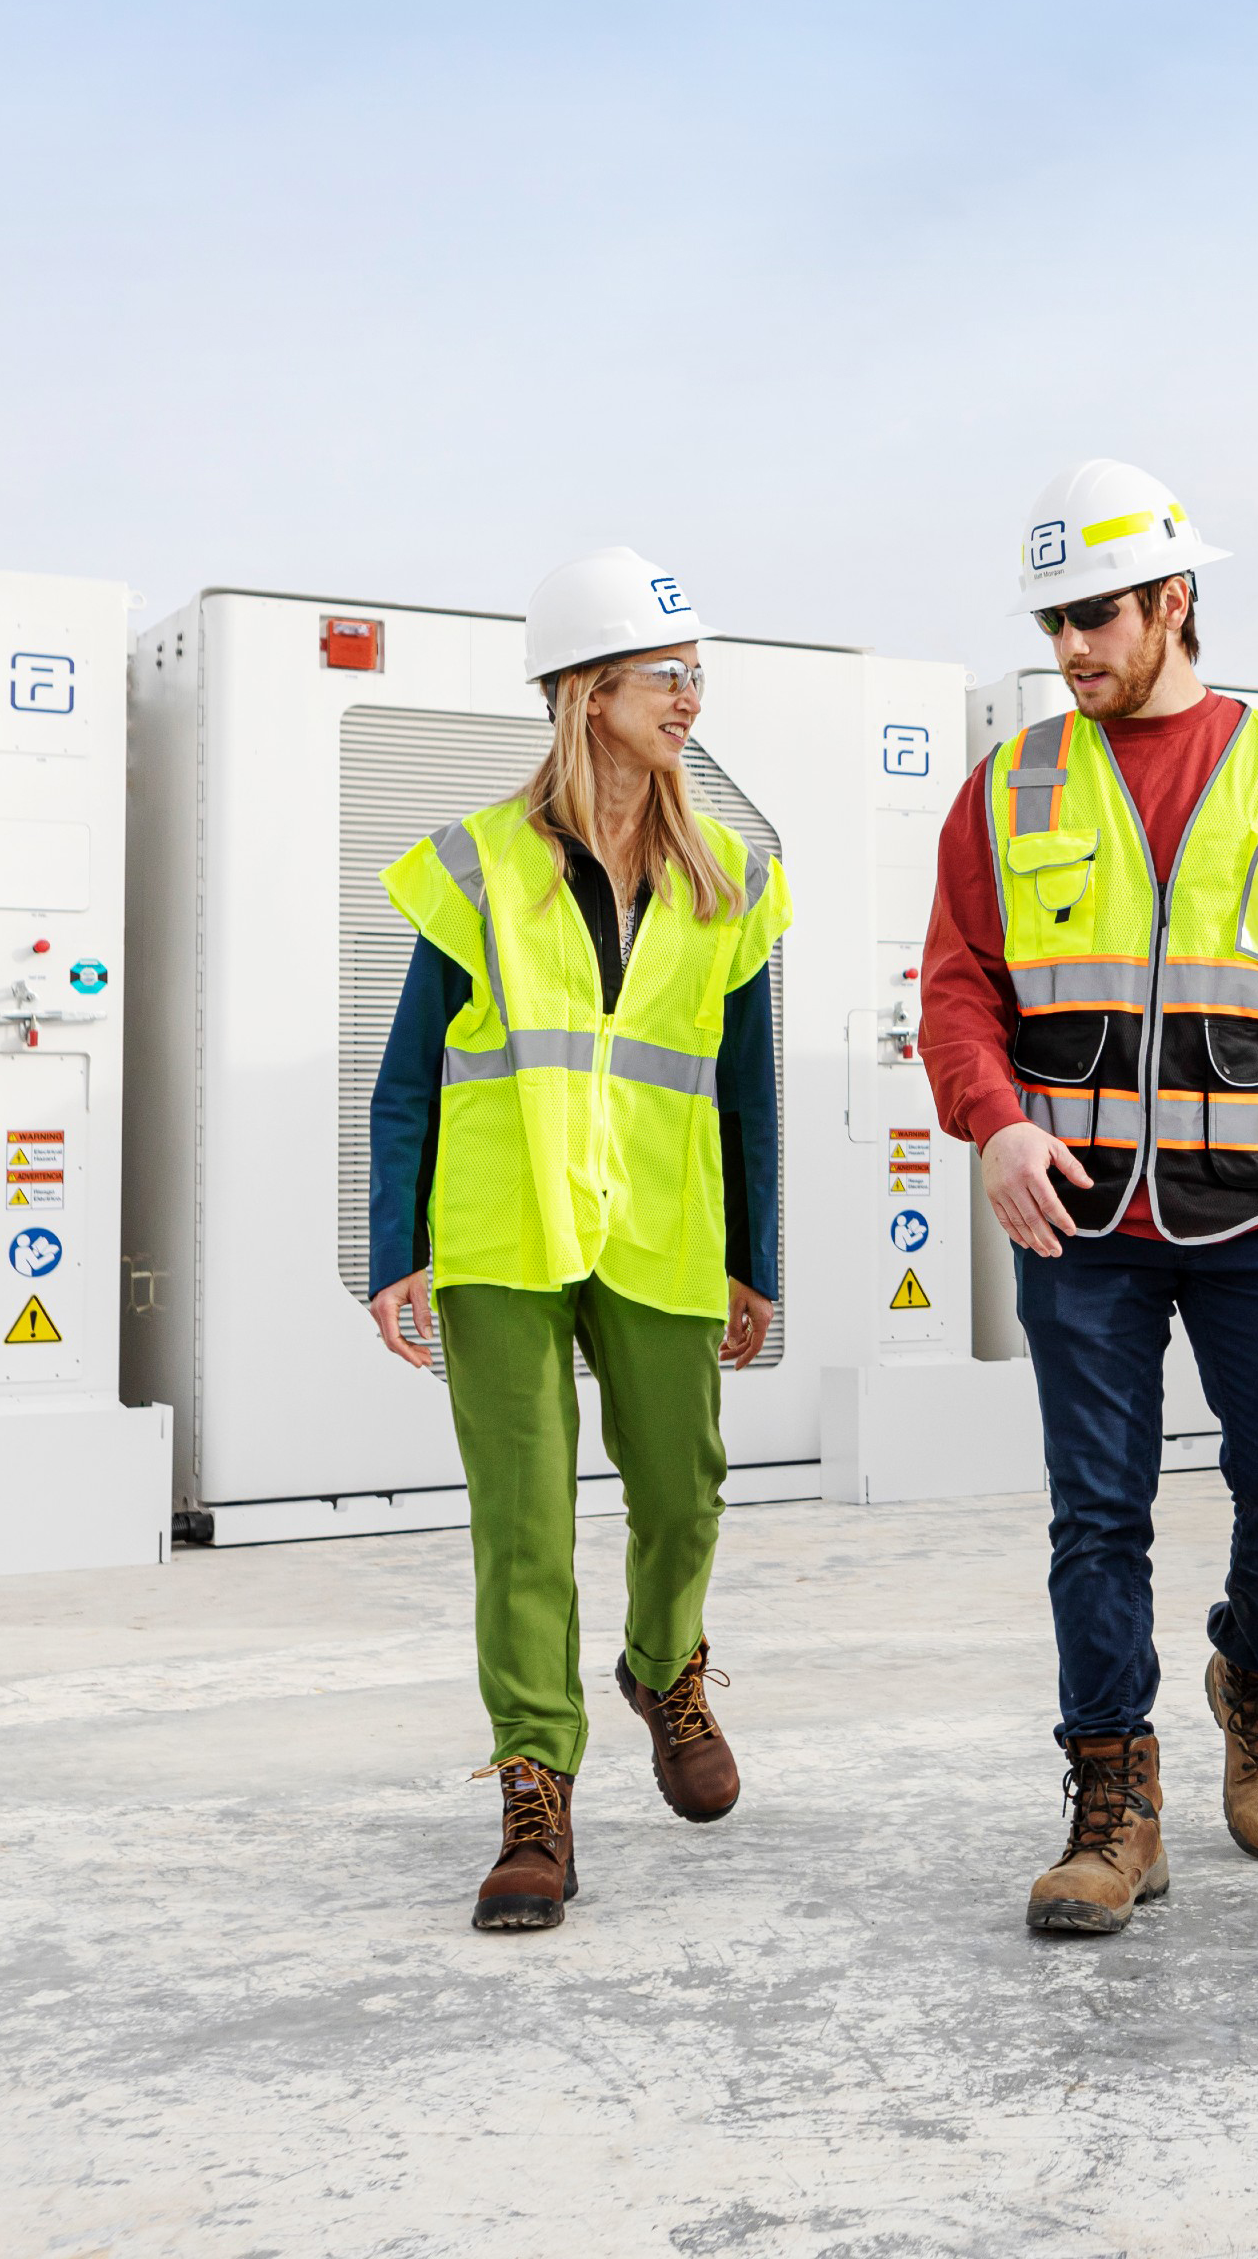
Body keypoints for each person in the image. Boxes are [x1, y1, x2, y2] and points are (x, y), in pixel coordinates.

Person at [920, 458, 1258, 1938]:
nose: (1070, 650)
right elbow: (956, 987)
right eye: (1053, 623)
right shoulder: (1008, 789)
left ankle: (1255, 1683)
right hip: (1080, 1222)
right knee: (1098, 1514)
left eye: (1097, 617)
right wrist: (995, 1124)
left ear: (1175, 602)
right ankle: (1112, 1798)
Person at [364, 550, 790, 1934]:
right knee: (525, 1526)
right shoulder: (480, 863)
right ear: (590, 689)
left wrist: (758, 1257)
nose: (690, 699)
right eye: (668, 675)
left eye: (695, 674)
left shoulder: (727, 871)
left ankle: (666, 1668)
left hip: (663, 1230)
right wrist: (392, 1245)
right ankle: (535, 1791)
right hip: (501, 1227)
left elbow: (750, 1083)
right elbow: (411, 1069)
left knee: (683, 1494)